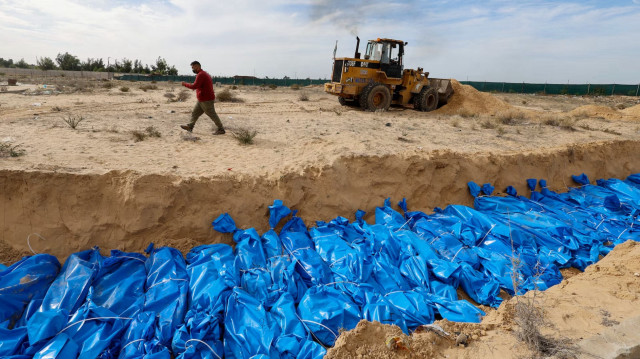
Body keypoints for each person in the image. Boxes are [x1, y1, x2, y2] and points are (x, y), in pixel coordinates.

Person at [180, 61, 225, 134]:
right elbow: (198, 86)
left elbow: (194, 86)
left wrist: (185, 84)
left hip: (206, 99)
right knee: (195, 113)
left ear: (197, 66)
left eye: (193, 67)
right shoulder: (203, 74)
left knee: (212, 114)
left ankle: (221, 129)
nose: (192, 69)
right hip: (202, 99)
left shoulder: (201, 75)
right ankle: (190, 127)